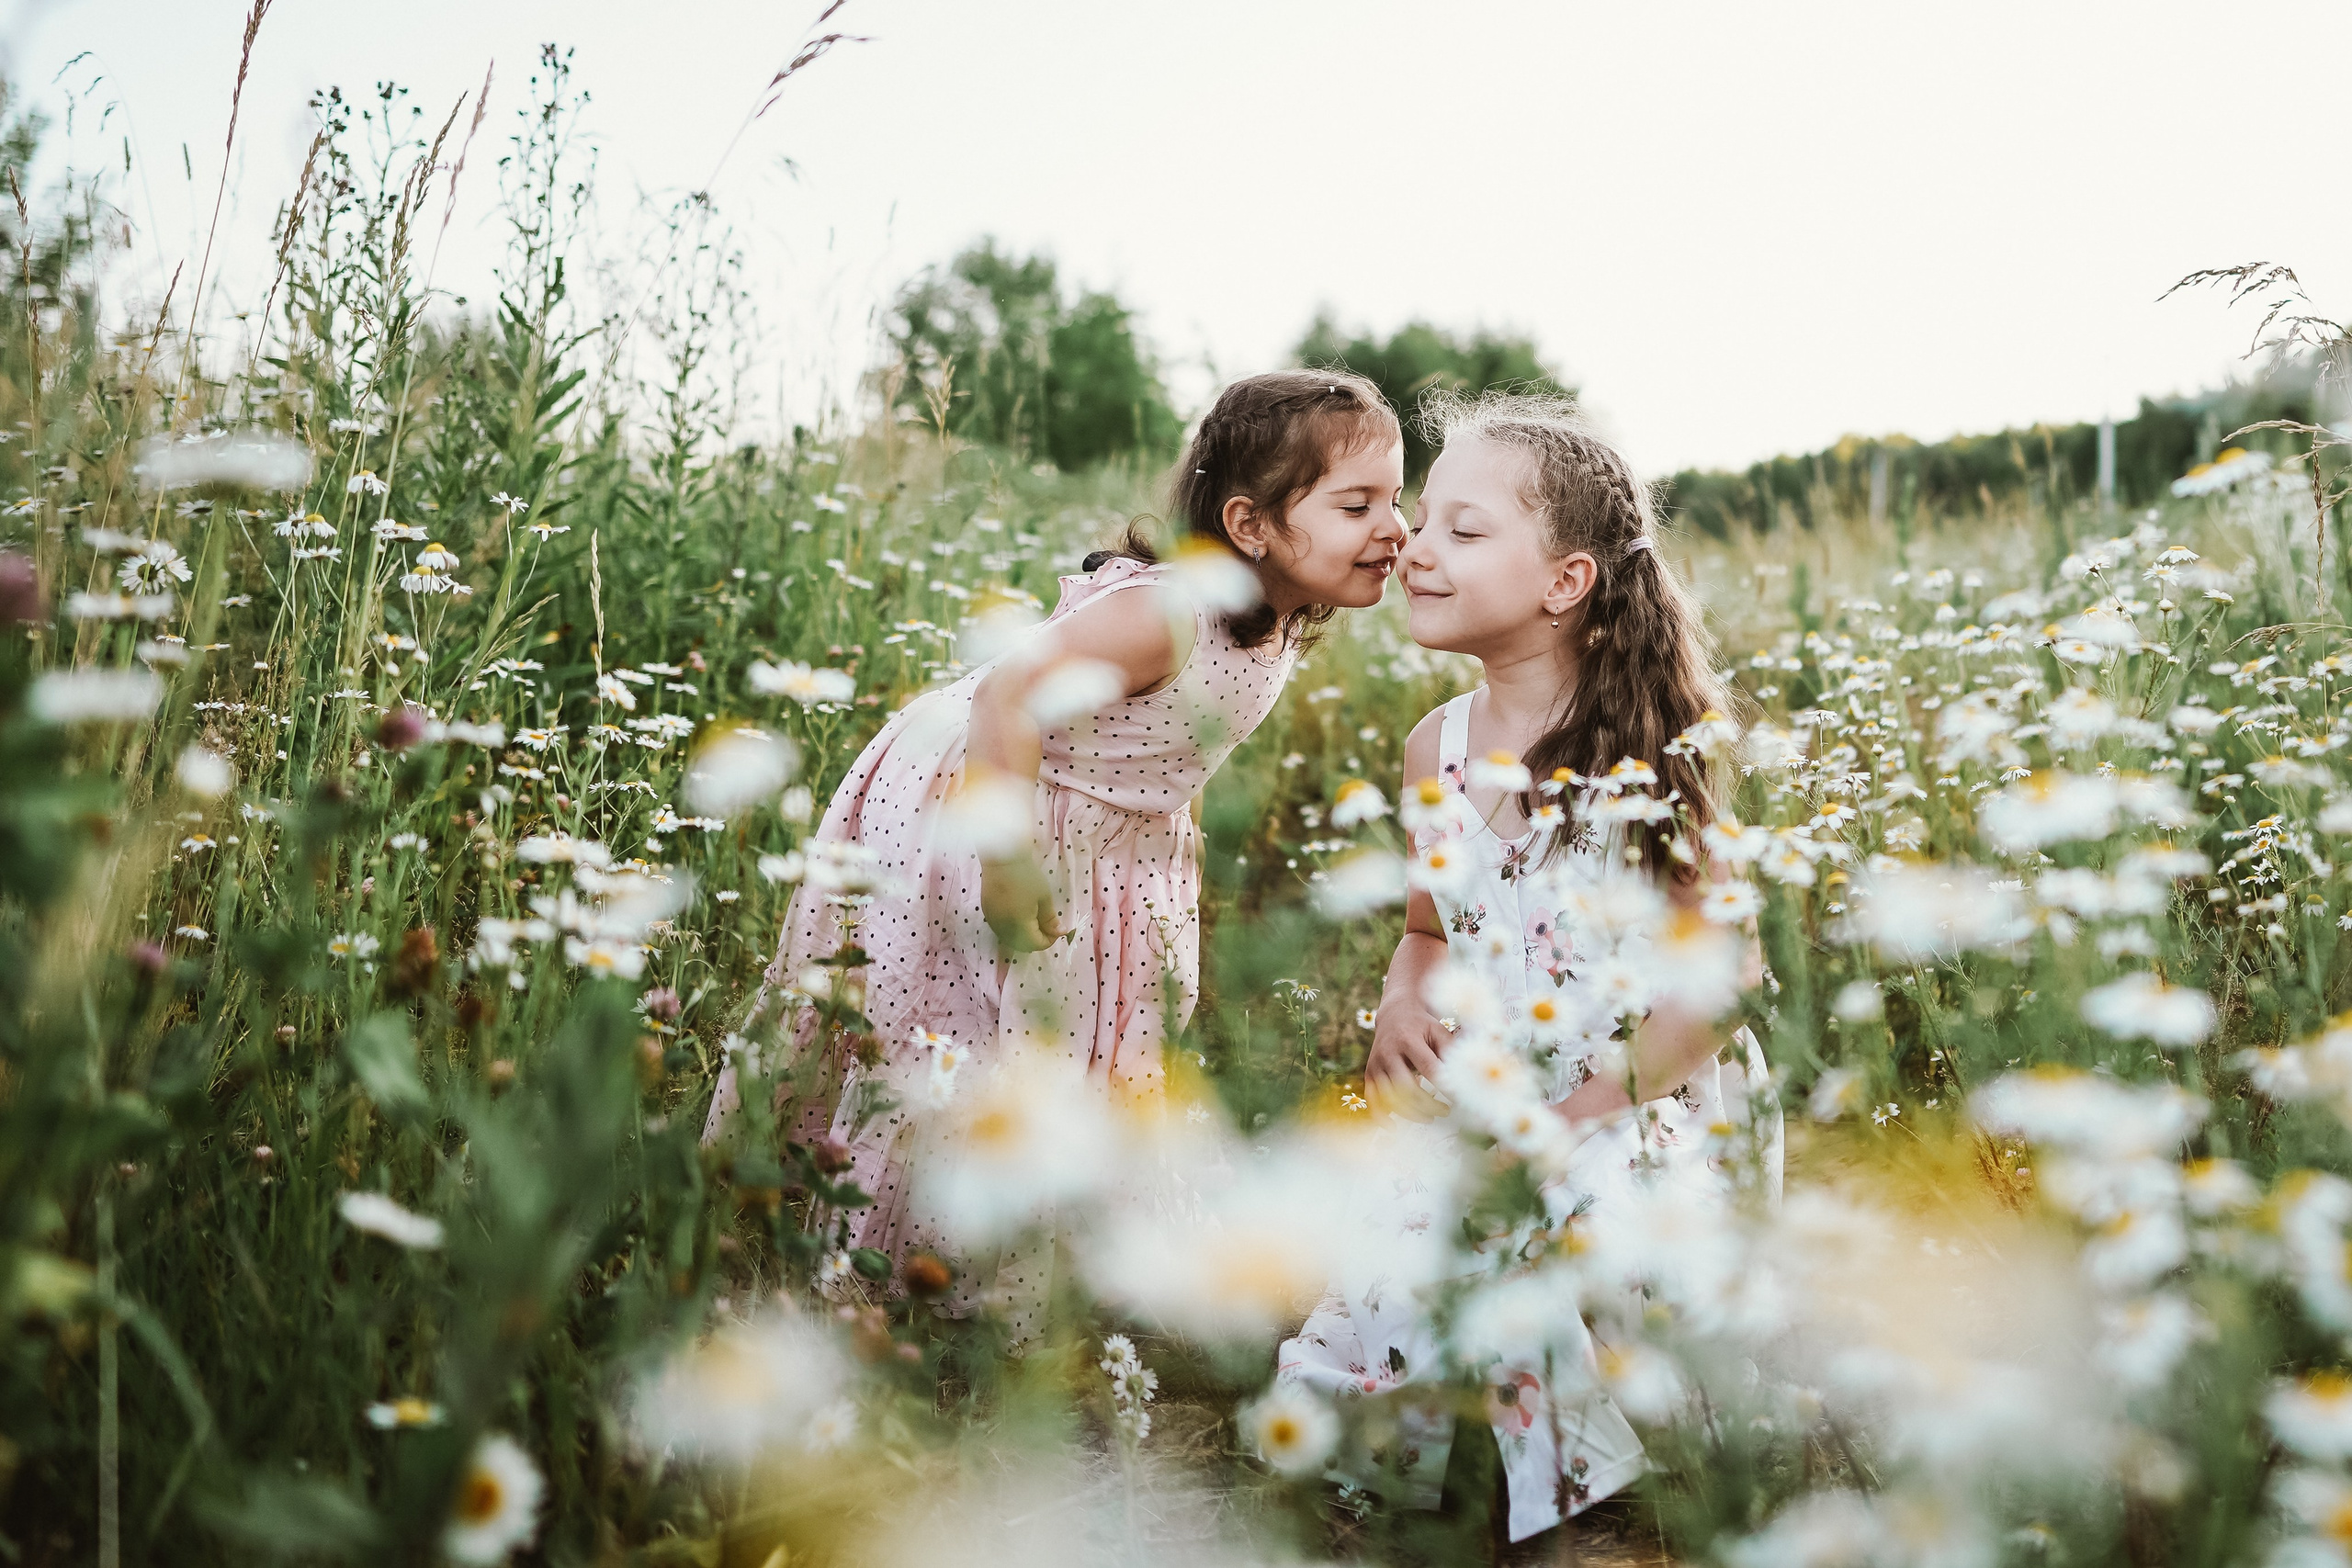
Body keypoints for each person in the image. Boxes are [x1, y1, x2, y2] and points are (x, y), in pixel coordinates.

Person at [708, 370, 1408, 1338]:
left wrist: (1171, 843)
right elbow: (1007, 696)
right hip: (989, 796)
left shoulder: (1279, 617)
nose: (1394, 527)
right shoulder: (1166, 614)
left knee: (1085, 1034)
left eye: (1397, 499)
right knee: (959, 1021)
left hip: (1112, 827)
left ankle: (1053, 1254)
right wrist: (1004, 857)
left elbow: (1176, 739)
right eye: (1357, 505)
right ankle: (889, 1254)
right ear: (1250, 525)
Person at [1279, 390, 1781, 1547]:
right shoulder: (1436, 748)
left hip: (1638, 1099)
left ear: (1565, 583)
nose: (1414, 546)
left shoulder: (1650, 744)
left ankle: (1592, 1508)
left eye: (1464, 529)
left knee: (1565, 1236)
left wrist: (1581, 1111)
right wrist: (1399, 1004)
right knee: (1393, 1262)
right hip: (1496, 1097)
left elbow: (1723, 973)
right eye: (1421, 519)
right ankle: (1418, 1485)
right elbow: (1426, 927)